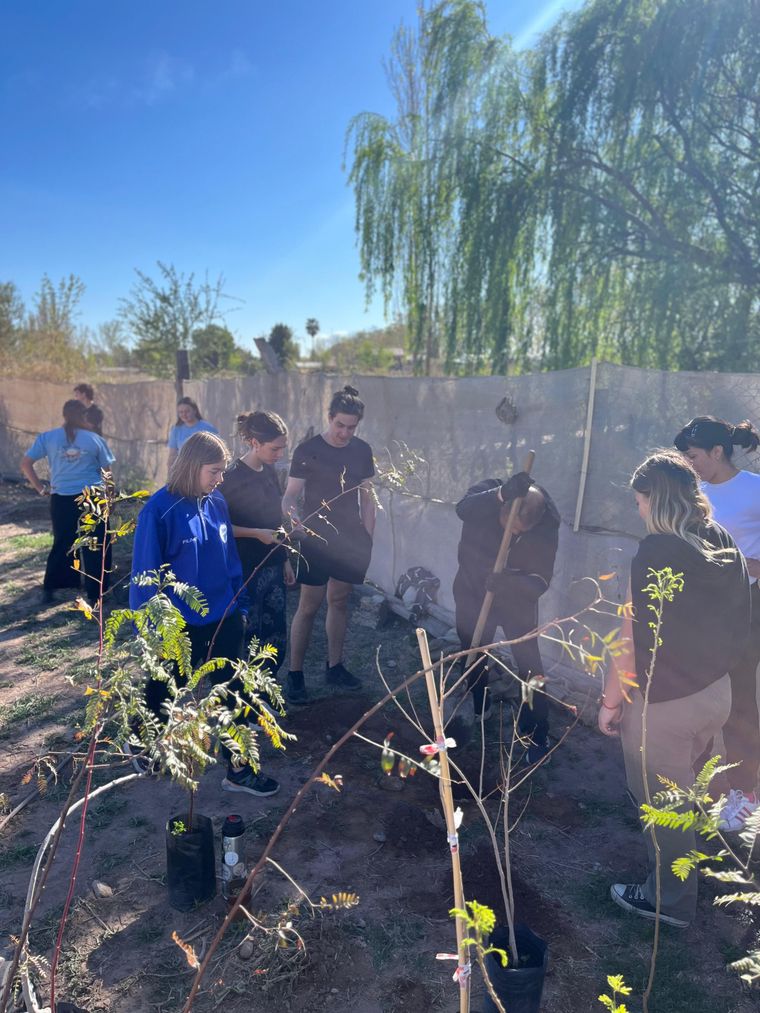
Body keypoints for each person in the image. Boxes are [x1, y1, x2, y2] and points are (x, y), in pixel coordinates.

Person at [599, 450, 750, 928]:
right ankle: (704, 862)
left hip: (665, 704)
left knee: (663, 804)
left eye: (639, 501)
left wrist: (610, 701)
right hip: (717, 692)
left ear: (656, 499)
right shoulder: (721, 539)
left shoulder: (656, 554)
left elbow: (629, 637)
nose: (638, 510)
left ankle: (670, 901)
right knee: (694, 784)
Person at [130, 430, 279, 798]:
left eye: (222, 471)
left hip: (224, 615)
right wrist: (153, 627)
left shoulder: (217, 503)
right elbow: (145, 574)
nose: (220, 479)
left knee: (233, 693)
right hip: (178, 624)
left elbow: (229, 559)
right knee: (165, 689)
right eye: (214, 471)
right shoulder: (159, 510)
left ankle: (240, 770)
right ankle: (143, 741)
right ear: (192, 466)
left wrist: (239, 605)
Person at [673, 416, 760, 831]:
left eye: (693, 457)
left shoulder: (754, 489)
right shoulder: (694, 494)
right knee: (700, 695)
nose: (689, 465)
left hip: (745, 607)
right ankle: (699, 784)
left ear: (717, 451)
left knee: (738, 700)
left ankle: (746, 793)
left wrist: (745, 565)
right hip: (700, 608)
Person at [452, 471, 559, 763]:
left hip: (516, 600)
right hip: (472, 588)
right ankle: (478, 704)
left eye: (519, 532)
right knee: (473, 649)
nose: (512, 535)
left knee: (529, 663)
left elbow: (541, 581)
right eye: (509, 527)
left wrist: (509, 582)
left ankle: (536, 731)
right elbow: (462, 509)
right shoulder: (489, 493)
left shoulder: (547, 520)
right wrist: (501, 495)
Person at [281, 385, 376, 704]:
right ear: (329, 417)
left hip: (350, 539)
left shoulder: (362, 450)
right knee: (309, 605)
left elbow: (368, 497)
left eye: (351, 427)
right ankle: (295, 674)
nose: (345, 433)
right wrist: (295, 522)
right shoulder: (308, 450)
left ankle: (335, 667)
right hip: (315, 538)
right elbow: (290, 497)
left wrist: (368, 537)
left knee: (339, 600)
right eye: (340, 425)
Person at [221, 411, 295, 676]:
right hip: (244, 568)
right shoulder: (230, 478)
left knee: (274, 632)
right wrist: (255, 533)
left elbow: (276, 521)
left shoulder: (270, 472)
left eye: (282, 448)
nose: (280, 454)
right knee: (247, 633)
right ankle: (242, 690)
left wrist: (284, 559)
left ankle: (266, 687)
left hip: (272, 566)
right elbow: (220, 528)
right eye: (274, 448)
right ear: (254, 442)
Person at [21, 399, 115, 606]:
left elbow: (26, 463)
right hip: (92, 497)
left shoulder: (48, 437)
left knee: (63, 542)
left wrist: (40, 488)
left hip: (61, 498)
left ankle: (53, 588)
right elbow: (107, 473)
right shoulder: (94, 439)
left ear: (64, 415)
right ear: (84, 415)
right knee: (95, 543)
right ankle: (97, 593)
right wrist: (110, 497)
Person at [167, 397, 219, 468]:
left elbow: (216, 450)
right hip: (183, 468)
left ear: (195, 411)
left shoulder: (207, 428)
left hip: (203, 467)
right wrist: (170, 470)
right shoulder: (176, 429)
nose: (184, 414)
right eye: (181, 412)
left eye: (187, 411)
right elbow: (172, 454)